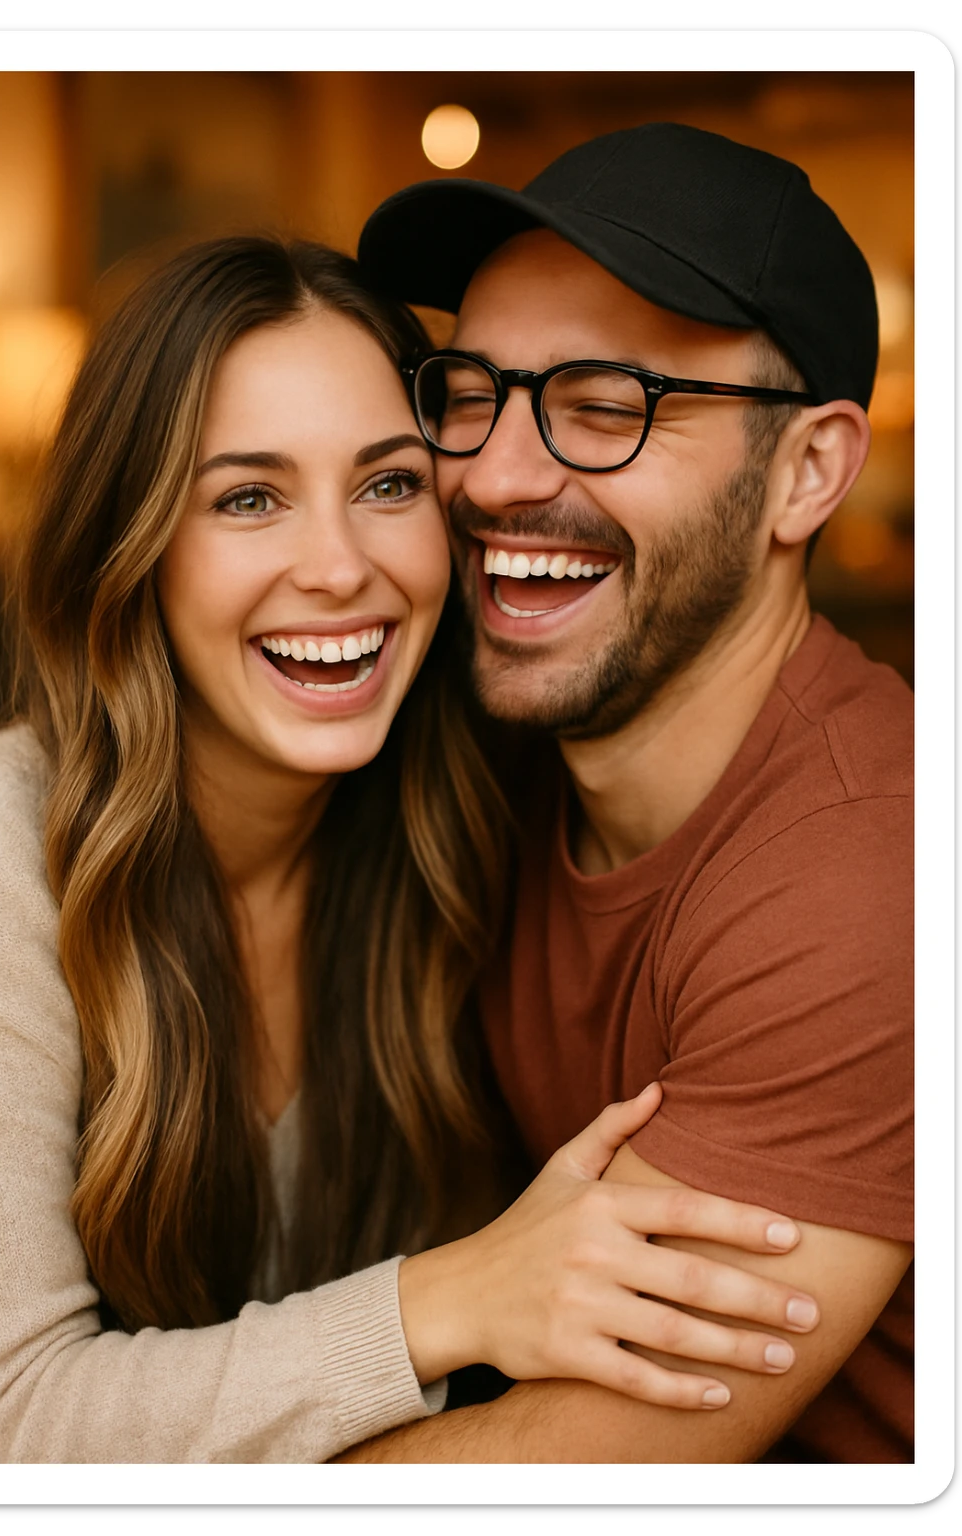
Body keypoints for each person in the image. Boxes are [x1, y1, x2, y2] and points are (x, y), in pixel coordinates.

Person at [0, 235, 822, 1465]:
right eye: (247, 498)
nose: (341, 570)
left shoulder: (461, 819)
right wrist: (447, 1299)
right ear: (135, 547)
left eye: (387, 486)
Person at [345, 121, 915, 1463]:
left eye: (607, 406)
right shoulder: (468, 754)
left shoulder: (869, 876)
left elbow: (556, 1468)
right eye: (470, 391)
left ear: (811, 472)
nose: (492, 475)